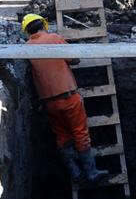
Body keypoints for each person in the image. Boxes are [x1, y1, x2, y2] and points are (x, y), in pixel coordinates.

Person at [21, 13, 108, 185]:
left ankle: (75, 172)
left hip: (48, 102)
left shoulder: (26, 47)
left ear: (27, 31)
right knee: (80, 133)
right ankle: (91, 172)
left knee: (62, 136)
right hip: (68, 97)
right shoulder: (54, 38)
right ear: (43, 25)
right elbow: (74, 59)